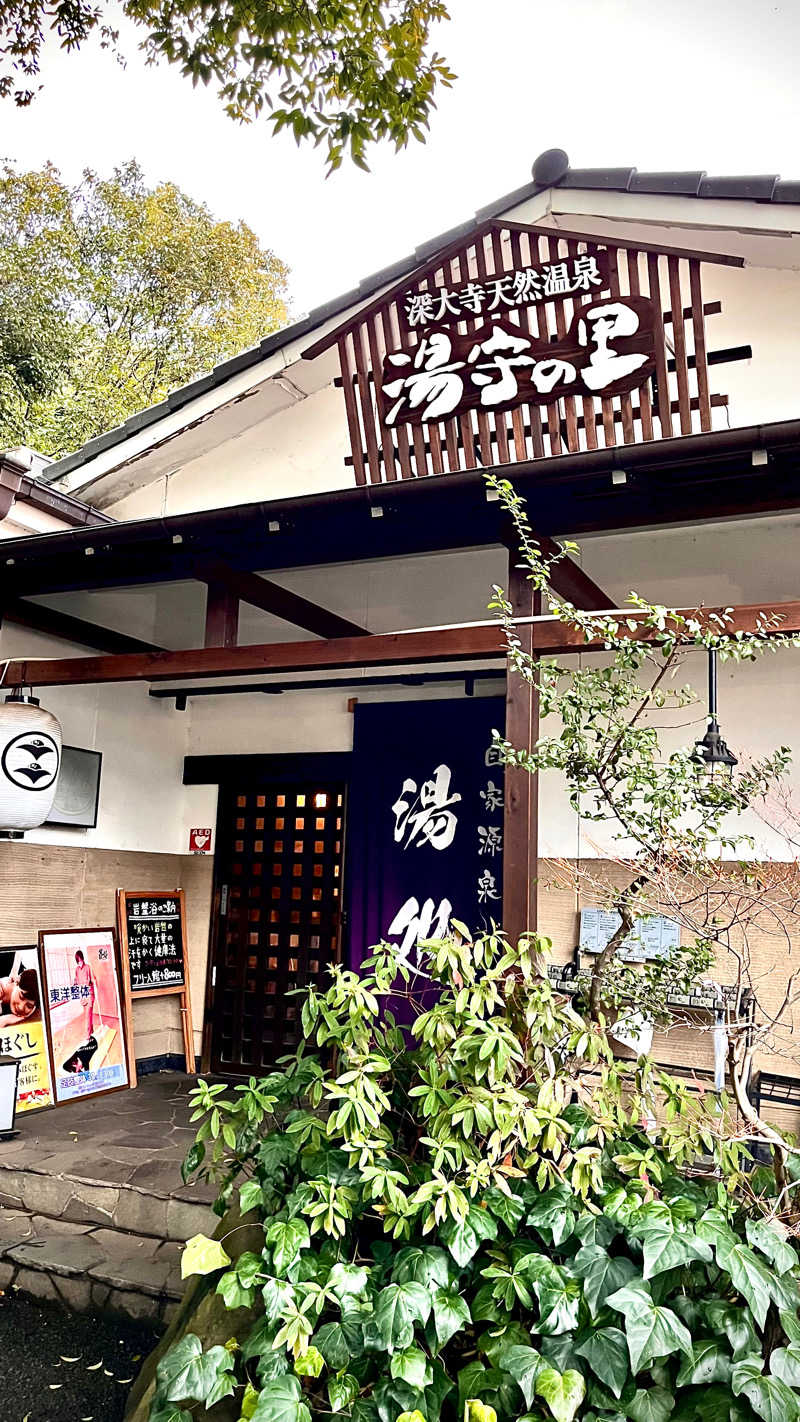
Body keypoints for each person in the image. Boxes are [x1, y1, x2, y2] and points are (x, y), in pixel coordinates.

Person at [73, 949, 98, 1036]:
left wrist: (94, 980)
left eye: (80, 960)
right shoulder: (76, 970)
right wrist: (74, 985)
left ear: (83, 959)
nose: (80, 962)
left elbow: (92, 979)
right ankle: (91, 1031)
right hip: (82, 995)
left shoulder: (88, 967)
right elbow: (76, 981)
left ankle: (87, 1036)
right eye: (78, 961)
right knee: (88, 1015)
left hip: (89, 994)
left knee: (88, 1015)